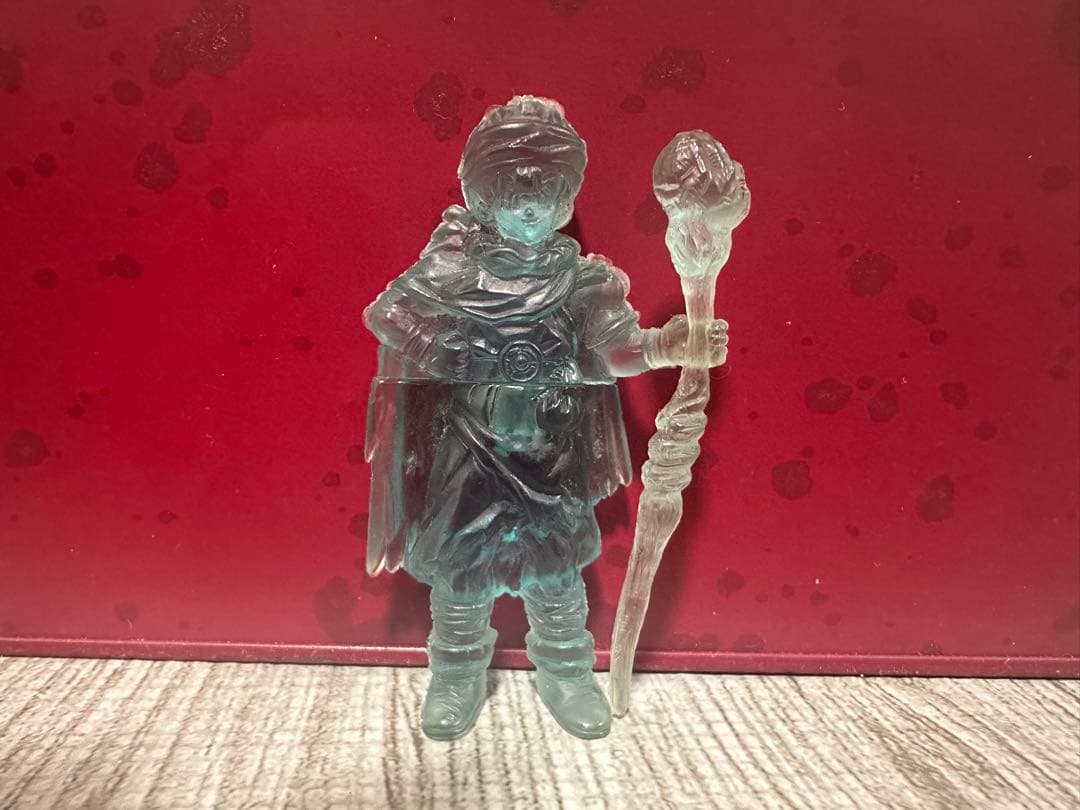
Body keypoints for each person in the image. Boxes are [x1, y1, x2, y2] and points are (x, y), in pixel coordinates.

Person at [363, 95, 728, 740]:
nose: (530, 208)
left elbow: (611, 350)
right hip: (470, 450)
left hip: (549, 455)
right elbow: (387, 314)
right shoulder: (453, 266)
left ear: (565, 198)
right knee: (462, 577)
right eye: (514, 192)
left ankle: (566, 672)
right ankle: (455, 675)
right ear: (484, 195)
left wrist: (667, 345)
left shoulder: (579, 280)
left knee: (557, 575)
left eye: (546, 192)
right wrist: (448, 352)